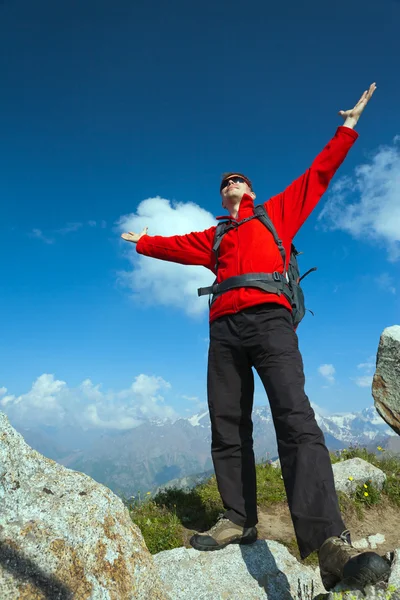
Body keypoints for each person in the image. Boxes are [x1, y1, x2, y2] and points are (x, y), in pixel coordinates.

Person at [122, 83, 390, 591]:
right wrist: (145, 244)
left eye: (238, 179)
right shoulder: (215, 235)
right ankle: (238, 519)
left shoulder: (277, 214)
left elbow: (319, 174)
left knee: (295, 418)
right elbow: (177, 245)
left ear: (250, 189)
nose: (231, 183)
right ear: (221, 195)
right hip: (223, 328)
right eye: (225, 181)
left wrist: (348, 127)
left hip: (270, 321)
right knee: (226, 423)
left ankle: (330, 542)